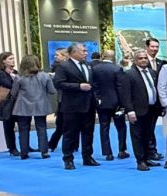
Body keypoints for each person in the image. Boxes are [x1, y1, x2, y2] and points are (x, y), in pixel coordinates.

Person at [53, 42, 98, 170]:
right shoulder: (64, 66)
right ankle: (68, 159)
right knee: (70, 133)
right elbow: (59, 84)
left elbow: (92, 83)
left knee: (88, 132)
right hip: (72, 106)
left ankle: (87, 157)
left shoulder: (88, 65)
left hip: (89, 105)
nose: (86, 53)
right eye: (83, 51)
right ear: (74, 52)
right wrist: (78, 86)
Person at [8, 54, 55, 160]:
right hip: (41, 105)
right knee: (42, 128)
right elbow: (52, 91)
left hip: (22, 106)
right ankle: (44, 151)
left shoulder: (19, 77)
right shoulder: (45, 76)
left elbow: (13, 93)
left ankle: (24, 152)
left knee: (23, 129)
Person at [121, 51, 162, 171]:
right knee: (137, 136)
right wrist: (130, 111)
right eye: (140, 58)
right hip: (137, 111)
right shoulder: (129, 74)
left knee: (148, 135)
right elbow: (125, 94)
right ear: (135, 60)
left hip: (151, 109)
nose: (144, 60)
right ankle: (140, 161)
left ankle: (147, 158)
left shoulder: (152, 72)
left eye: (145, 58)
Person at [91, 50, 127, 161]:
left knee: (104, 127)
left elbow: (93, 86)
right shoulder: (117, 69)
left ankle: (108, 153)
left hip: (102, 104)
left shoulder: (95, 69)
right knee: (121, 127)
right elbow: (121, 87)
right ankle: (122, 150)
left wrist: (97, 99)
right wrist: (123, 103)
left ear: (103, 56)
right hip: (117, 104)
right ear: (113, 57)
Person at [0, 52, 20, 157]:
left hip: (18, 101)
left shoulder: (16, 72)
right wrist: (14, 78)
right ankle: (12, 148)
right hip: (7, 103)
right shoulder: (0, 73)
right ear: (3, 61)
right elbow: (9, 85)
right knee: (9, 126)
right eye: (10, 59)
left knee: (23, 124)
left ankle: (25, 145)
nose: (12, 61)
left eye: (13, 58)